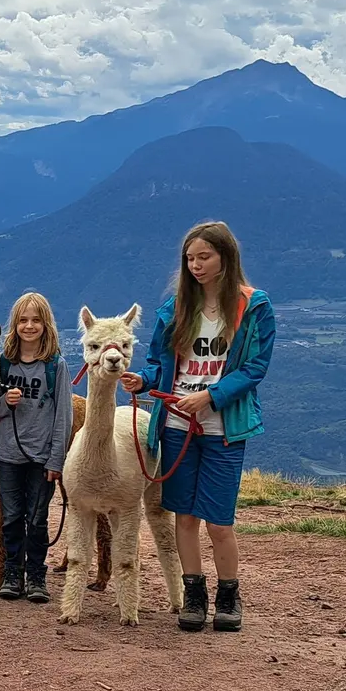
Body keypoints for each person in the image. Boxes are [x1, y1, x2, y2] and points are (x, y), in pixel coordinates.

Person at [122, 221, 275, 633]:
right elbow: (159, 362)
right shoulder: (176, 309)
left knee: (219, 520)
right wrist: (143, 380)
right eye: (190, 258)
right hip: (176, 424)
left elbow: (255, 368)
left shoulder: (253, 306)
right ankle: (194, 595)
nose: (195, 265)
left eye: (204, 257)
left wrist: (210, 396)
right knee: (185, 516)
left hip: (224, 427)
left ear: (226, 257)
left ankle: (229, 594)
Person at [0, 291, 72, 604]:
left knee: (37, 519)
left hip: (41, 456)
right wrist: (4, 401)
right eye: (23, 320)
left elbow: (63, 415)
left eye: (36, 320)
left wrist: (56, 459)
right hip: (8, 453)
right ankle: (13, 572)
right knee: (11, 516)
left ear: (45, 324)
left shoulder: (56, 366)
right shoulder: (4, 364)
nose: (29, 326)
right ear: (15, 324)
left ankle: (36, 575)